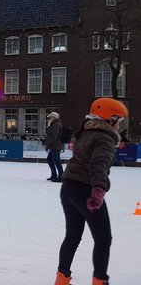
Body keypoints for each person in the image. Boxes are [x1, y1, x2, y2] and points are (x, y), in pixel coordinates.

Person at [54, 98, 128, 285]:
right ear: (110, 119)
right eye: (119, 120)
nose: (119, 125)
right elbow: (98, 164)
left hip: (69, 188)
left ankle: (61, 279)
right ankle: (99, 281)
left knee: (72, 236)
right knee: (103, 239)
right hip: (86, 190)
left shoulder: (85, 132)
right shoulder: (104, 137)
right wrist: (98, 190)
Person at [45, 112, 64, 182]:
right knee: (50, 160)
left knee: (57, 161)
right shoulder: (54, 124)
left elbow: (53, 136)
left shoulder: (56, 125)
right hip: (54, 145)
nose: (49, 119)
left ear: (53, 118)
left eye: (50, 117)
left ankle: (61, 176)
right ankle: (54, 175)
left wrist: (46, 144)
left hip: (56, 146)